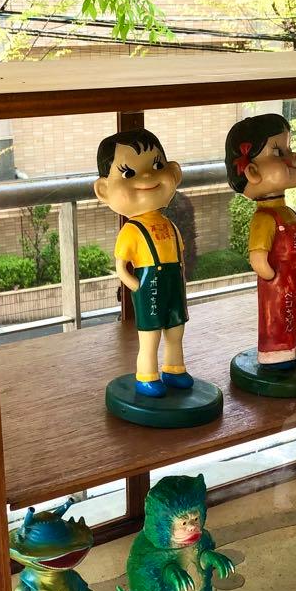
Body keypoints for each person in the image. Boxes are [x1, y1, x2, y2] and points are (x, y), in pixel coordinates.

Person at [94, 129, 192, 397]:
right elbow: (120, 265)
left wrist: (182, 278)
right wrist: (135, 285)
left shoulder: (170, 225)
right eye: (128, 173)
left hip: (173, 283)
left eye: (157, 166)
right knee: (151, 335)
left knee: (176, 329)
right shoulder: (131, 230)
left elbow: (180, 255)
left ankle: (174, 369)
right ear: (104, 190)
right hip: (149, 284)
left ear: (174, 173)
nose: (148, 177)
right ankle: (147, 376)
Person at [224, 113, 296, 369]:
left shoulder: (287, 211)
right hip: (279, 279)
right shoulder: (264, 218)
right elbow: (258, 256)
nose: (293, 158)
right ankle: (278, 351)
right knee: (279, 315)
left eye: (290, 148)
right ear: (252, 171)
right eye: (278, 152)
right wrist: (271, 275)